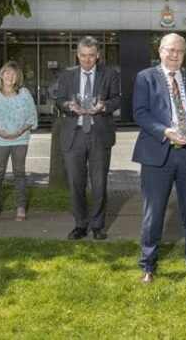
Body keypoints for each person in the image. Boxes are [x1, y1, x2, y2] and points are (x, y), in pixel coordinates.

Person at [132, 33, 186, 285]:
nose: (174, 54)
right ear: (160, 51)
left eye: (179, 51)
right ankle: (148, 265)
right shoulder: (145, 77)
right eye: (170, 50)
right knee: (153, 213)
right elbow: (140, 113)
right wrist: (166, 132)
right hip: (158, 154)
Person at [55, 36, 121, 241]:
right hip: (74, 135)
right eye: (83, 56)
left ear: (98, 55)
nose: (87, 60)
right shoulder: (67, 75)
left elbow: (117, 99)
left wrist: (104, 107)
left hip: (99, 134)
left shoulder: (109, 74)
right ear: (77, 55)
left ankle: (98, 226)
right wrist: (68, 106)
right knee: (76, 183)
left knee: (99, 184)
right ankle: (80, 224)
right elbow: (59, 100)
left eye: (91, 56)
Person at [0, 61, 38, 222]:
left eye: (13, 74)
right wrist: (0, 133)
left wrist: (20, 131)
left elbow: (32, 117)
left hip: (20, 139)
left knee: (19, 172)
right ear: (1, 75)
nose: (10, 76)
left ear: (18, 77)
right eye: (7, 73)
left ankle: (20, 206)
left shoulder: (24, 94)